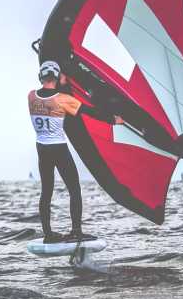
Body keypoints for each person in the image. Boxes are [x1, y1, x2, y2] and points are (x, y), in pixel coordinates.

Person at [29, 61, 122, 243]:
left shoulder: (31, 96)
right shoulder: (63, 100)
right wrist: (113, 119)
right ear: (56, 77)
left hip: (42, 149)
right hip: (58, 149)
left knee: (46, 191)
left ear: (41, 77)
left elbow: (47, 94)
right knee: (74, 189)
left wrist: (58, 82)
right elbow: (89, 111)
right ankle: (76, 232)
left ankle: (48, 234)